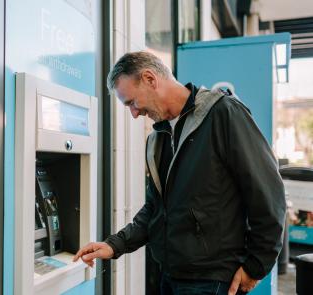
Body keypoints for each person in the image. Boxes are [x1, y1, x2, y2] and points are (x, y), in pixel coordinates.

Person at [73, 51, 286, 295]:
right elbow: (156, 208)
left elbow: (268, 194)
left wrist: (256, 266)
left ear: (150, 79)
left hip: (213, 280)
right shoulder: (158, 138)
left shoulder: (223, 114)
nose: (133, 113)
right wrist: (115, 245)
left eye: (131, 102)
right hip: (170, 276)